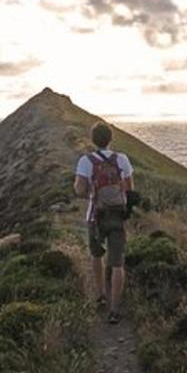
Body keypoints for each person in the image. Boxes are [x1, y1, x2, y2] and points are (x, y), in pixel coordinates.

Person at [74, 121, 134, 324]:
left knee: (96, 255)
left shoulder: (85, 161)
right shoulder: (122, 159)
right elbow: (129, 189)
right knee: (117, 263)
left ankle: (100, 295)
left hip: (95, 217)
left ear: (93, 139)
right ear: (111, 139)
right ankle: (115, 309)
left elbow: (80, 190)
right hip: (117, 216)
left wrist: (91, 191)